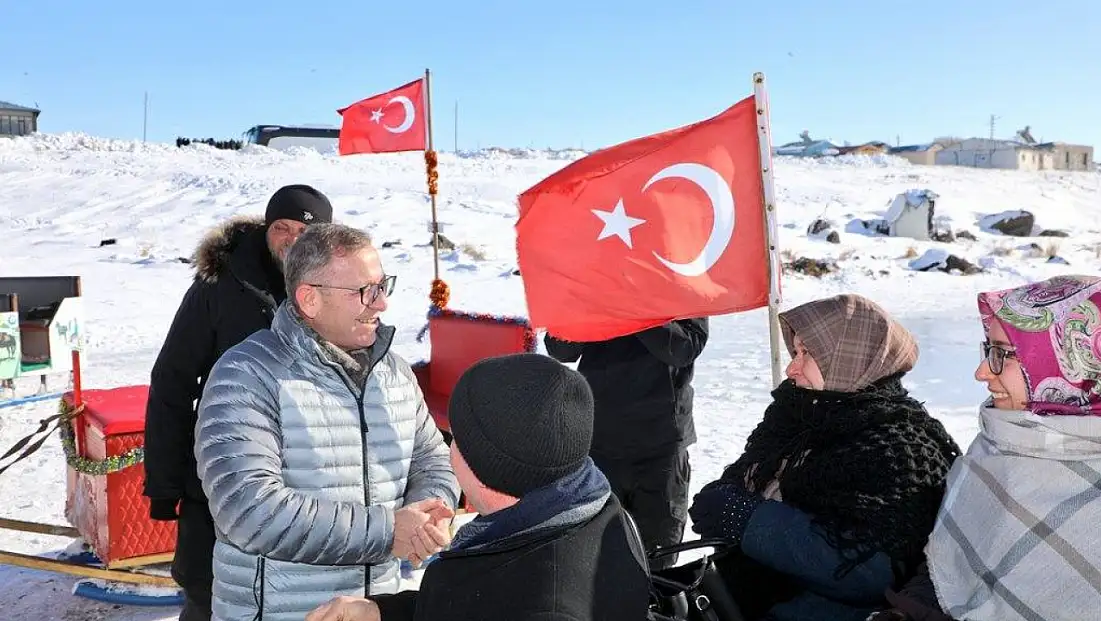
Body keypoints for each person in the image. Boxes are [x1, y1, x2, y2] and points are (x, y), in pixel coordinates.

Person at [194, 223, 460, 621]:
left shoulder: (394, 373)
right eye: (364, 291)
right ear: (309, 299)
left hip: (371, 610)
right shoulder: (247, 374)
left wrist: (430, 513)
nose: (381, 303)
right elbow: (248, 509)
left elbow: (432, 458)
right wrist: (387, 530)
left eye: (382, 285)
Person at [305, 352, 652, 621]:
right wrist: (383, 613)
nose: (447, 444)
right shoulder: (586, 515)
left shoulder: (548, 603)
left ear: (489, 464)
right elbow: (481, 605)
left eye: (455, 436)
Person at [687, 294, 961, 621]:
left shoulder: (901, 446)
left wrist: (750, 521)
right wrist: (728, 500)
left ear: (847, 358)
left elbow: (867, 571)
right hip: (745, 595)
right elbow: (747, 480)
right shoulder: (799, 415)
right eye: (794, 351)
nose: (792, 366)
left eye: (808, 353)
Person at [142, 184, 335, 621]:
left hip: (307, 480)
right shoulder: (221, 283)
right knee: (208, 594)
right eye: (281, 227)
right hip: (220, 477)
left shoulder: (338, 287)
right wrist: (165, 480)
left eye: (305, 231)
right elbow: (171, 380)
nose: (291, 239)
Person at [871, 274, 1101, 621]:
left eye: (1003, 354)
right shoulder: (998, 445)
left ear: (1072, 362)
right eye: (988, 350)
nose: (981, 372)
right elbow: (945, 567)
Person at [543, 318, 708, 567]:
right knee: (589, 557)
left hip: (661, 446)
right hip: (599, 442)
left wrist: (632, 308)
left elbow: (684, 348)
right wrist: (598, 302)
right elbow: (560, 349)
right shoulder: (596, 281)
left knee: (656, 561)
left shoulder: (681, 279)